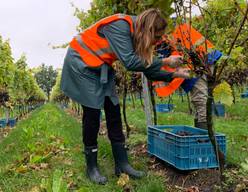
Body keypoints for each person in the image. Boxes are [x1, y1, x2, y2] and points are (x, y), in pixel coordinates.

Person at [60, 8, 190, 185]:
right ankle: (91, 167)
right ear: (149, 30)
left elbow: (148, 70)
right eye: (157, 37)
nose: (158, 41)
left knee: (113, 110)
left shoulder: (137, 35)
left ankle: (122, 164)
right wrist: (166, 61)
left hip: (100, 66)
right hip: (81, 62)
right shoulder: (120, 26)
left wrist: (174, 75)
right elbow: (130, 62)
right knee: (92, 114)